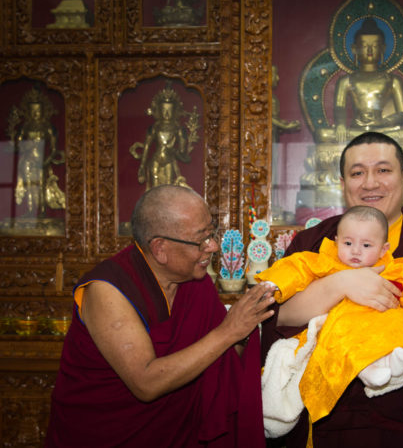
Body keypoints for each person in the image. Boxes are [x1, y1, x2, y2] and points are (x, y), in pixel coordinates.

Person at [261, 131, 403, 447]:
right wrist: (341, 284)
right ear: (342, 183)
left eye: (383, 170)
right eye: (357, 173)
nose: (370, 183)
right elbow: (275, 319)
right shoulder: (312, 243)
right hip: (324, 421)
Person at [46, 185, 276, 447]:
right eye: (201, 239)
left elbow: (218, 363)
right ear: (160, 248)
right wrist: (229, 331)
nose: (212, 246)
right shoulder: (108, 290)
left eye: (212, 234)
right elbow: (146, 383)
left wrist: (244, 332)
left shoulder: (193, 282)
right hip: (104, 436)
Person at [258, 205, 403, 429]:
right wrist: (275, 282)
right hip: (337, 338)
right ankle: (284, 411)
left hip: (402, 422)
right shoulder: (317, 252)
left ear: (383, 249)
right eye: (348, 243)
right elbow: (293, 272)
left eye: (383, 170)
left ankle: (388, 365)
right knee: (292, 354)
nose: (356, 251)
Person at [314, 18, 403, 145]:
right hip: (355, 132)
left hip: (384, 132)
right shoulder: (346, 81)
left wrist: (382, 122)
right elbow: (339, 107)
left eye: (375, 46)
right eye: (364, 46)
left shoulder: (393, 81)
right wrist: (341, 125)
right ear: (354, 49)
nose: (369, 50)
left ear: (383, 48)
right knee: (322, 134)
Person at [8, 85, 66, 216]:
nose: (35, 114)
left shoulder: (48, 127)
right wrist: (13, 131)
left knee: (41, 185)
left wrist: (47, 161)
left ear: (43, 111)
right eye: (32, 110)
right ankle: (30, 211)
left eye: (38, 110)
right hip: (26, 160)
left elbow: (54, 148)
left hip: (41, 161)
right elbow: (17, 144)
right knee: (29, 186)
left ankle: (42, 211)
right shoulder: (25, 127)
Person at [129, 83, 197, 190]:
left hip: (169, 161)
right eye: (164, 110)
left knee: (168, 190)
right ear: (159, 110)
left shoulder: (178, 129)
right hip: (156, 160)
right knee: (154, 191)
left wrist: (179, 148)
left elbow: (182, 151)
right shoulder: (155, 127)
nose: (166, 114)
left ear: (175, 111)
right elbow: (147, 146)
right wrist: (142, 166)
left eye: (169, 110)